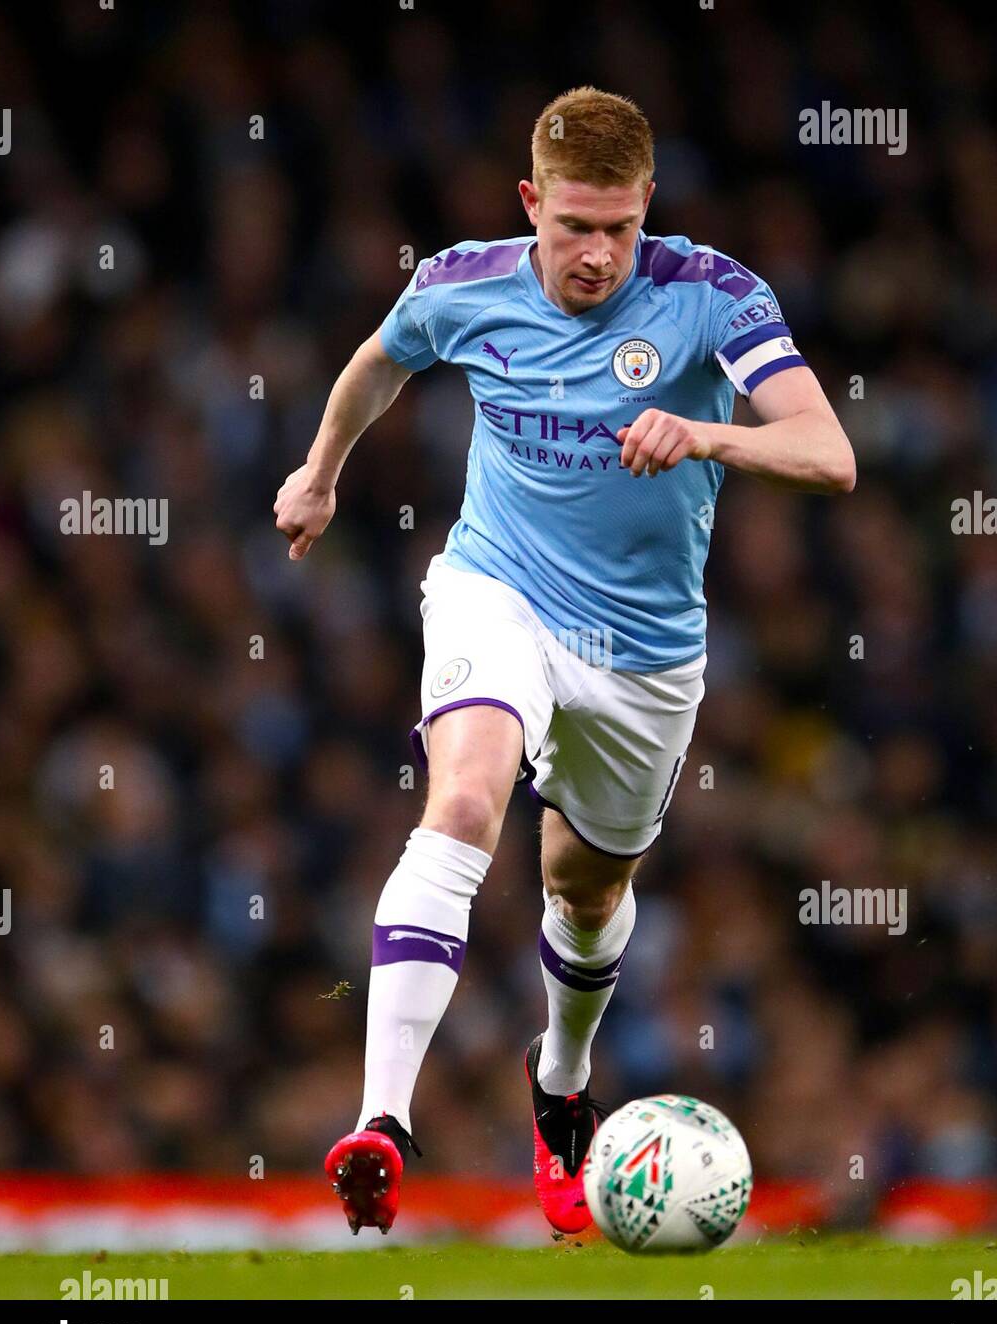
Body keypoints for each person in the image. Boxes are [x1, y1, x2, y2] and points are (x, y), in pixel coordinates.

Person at [273, 85, 855, 1237]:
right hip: (498, 592)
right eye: (572, 226)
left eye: (618, 229)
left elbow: (828, 452)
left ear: (649, 207)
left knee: (584, 890)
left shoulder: (712, 295)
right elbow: (377, 363)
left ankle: (559, 1083)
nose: (595, 255)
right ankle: (381, 1123)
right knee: (467, 795)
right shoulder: (461, 282)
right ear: (530, 203)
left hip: (642, 656)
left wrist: (707, 432)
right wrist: (321, 469)